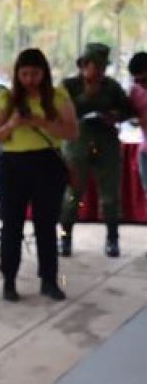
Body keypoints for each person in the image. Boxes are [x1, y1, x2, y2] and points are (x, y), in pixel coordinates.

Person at [0, 49, 78, 302]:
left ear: (45, 73)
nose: (30, 79)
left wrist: (42, 122)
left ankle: (49, 281)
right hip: (13, 166)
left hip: (48, 164)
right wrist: (12, 124)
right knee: (11, 227)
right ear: (17, 74)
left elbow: (72, 132)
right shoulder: (8, 98)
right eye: (25, 74)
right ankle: (9, 281)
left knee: (46, 226)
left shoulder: (58, 96)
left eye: (35, 73)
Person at [60, 43, 133, 258]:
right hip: (77, 144)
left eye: (103, 67)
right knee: (73, 194)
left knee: (110, 194)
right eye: (95, 66)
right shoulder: (69, 85)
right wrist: (87, 97)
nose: (100, 71)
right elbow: (61, 111)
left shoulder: (111, 86)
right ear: (83, 65)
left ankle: (112, 238)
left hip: (107, 144)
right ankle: (65, 238)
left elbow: (128, 111)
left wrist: (115, 115)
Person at [129, 52, 147, 196]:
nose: (141, 84)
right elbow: (128, 116)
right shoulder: (135, 91)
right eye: (137, 80)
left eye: (145, 80)